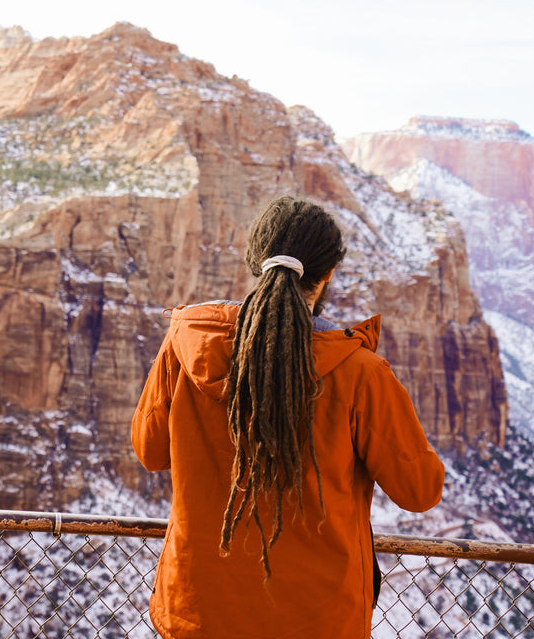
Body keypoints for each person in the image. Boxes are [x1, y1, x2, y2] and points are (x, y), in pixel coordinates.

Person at [132, 196, 445, 638]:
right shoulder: (362, 375)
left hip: (199, 612)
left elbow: (150, 451)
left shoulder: (187, 349)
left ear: (253, 262)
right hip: (316, 619)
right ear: (328, 275)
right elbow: (420, 490)